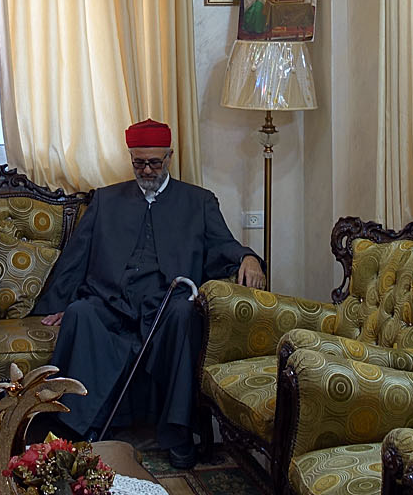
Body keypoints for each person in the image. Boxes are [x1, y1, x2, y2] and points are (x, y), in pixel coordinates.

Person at [31, 119, 266, 468]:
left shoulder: (198, 201)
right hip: (111, 301)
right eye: (139, 162)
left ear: (169, 157)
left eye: (154, 162)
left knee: (186, 315)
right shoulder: (107, 200)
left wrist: (248, 257)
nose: (146, 169)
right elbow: (75, 257)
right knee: (81, 314)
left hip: (165, 304)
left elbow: (223, 245)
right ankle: (82, 429)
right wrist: (59, 304)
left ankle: (178, 435)